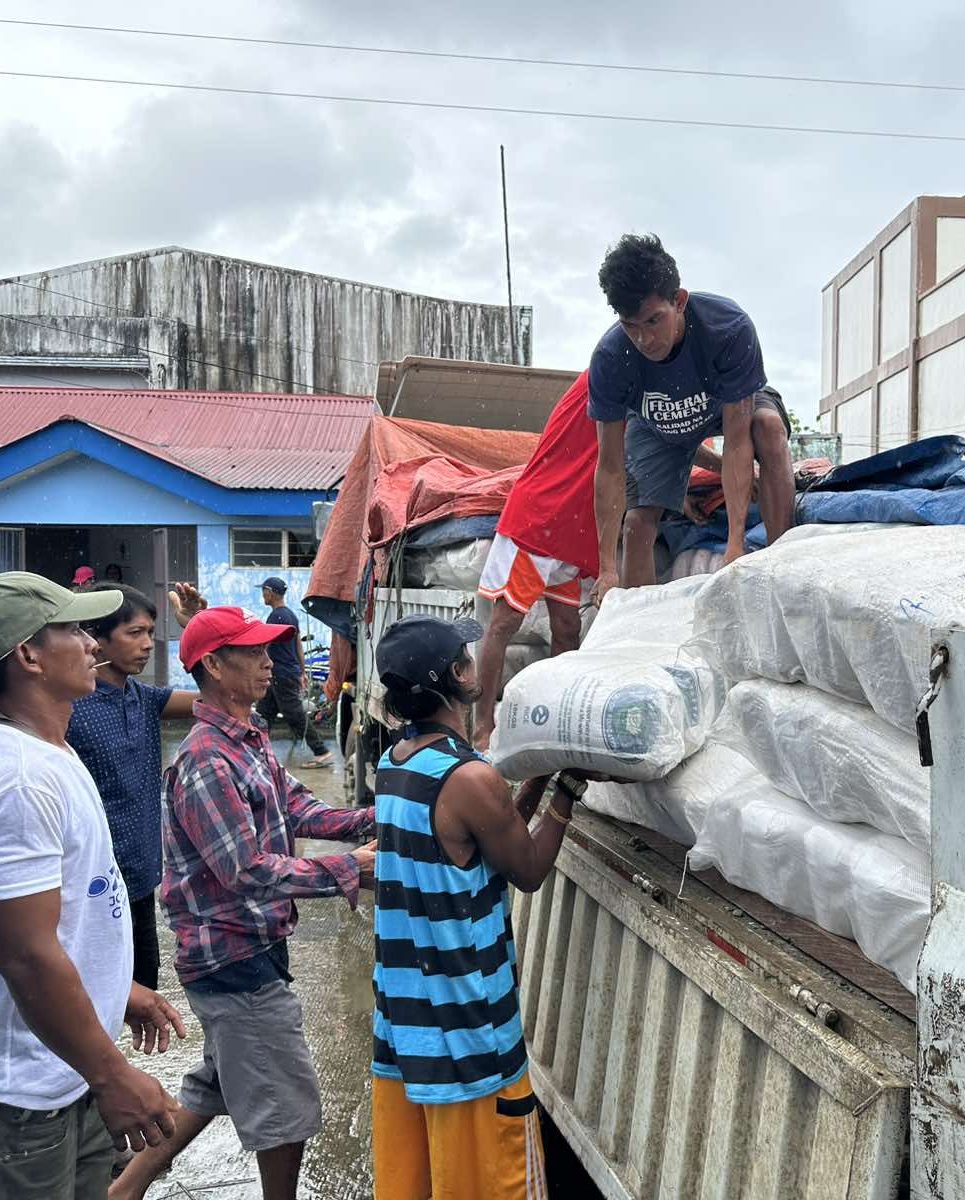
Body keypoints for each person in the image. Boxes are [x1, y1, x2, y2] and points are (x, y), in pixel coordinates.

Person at [0, 572, 185, 1198]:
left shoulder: (51, 753)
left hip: (58, 1078)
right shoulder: (16, 780)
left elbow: (67, 916)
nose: (93, 645)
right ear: (29, 656)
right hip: (5, 1104)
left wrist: (117, 989)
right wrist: (113, 1072)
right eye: (74, 630)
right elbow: (26, 955)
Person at [111, 605, 375, 1200]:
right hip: (234, 958)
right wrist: (350, 868)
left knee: (220, 1085)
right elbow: (246, 871)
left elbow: (302, 810)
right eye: (252, 652)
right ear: (212, 665)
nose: (267, 662)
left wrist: (378, 816)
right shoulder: (206, 758)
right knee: (287, 1108)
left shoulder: (250, 740)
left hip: (253, 948)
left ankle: (125, 1188)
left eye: (267, 650)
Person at [371, 614, 588, 1200]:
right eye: (466, 659)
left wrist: (535, 781)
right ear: (452, 679)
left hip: (406, 1022)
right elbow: (528, 869)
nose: (476, 665)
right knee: (495, 1183)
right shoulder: (469, 778)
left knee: (417, 1181)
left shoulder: (397, 763)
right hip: (467, 1030)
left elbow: (482, 834)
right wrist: (568, 790)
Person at [470, 370, 728, 749]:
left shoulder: (638, 395)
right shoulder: (611, 376)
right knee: (504, 623)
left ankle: (552, 716)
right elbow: (670, 436)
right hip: (540, 518)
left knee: (567, 629)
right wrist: (729, 465)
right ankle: (481, 728)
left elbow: (652, 450)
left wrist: (688, 486)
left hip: (576, 531)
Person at [589, 233, 794, 604]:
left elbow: (736, 440)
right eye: (630, 325)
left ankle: (781, 566)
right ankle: (640, 633)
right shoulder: (610, 357)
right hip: (657, 423)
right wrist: (607, 569)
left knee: (768, 427)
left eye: (654, 321)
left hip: (726, 404)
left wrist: (734, 546)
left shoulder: (728, 329)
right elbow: (610, 467)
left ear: (679, 301)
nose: (644, 339)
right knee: (636, 525)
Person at [66, 581, 207, 991]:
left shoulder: (143, 698)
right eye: (135, 633)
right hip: (88, 884)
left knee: (141, 988)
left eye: (150, 632)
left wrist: (197, 626)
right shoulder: (70, 705)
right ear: (97, 640)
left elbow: (219, 696)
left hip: (141, 879)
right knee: (86, 999)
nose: (148, 644)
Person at [257, 576, 331, 768]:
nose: (263, 595)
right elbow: (298, 644)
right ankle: (255, 751)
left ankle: (321, 751)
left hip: (282, 674)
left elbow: (265, 646)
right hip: (283, 673)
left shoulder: (276, 617)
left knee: (294, 714)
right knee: (264, 713)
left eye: (264, 591)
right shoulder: (290, 615)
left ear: (270, 592)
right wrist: (303, 671)